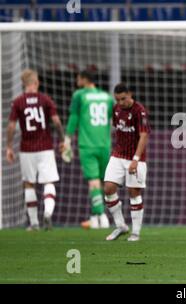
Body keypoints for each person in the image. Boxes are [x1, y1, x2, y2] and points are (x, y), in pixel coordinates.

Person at [6, 69, 65, 231]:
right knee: (49, 181)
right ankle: (47, 213)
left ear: (23, 84)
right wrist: (62, 140)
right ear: (36, 83)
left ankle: (34, 223)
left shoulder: (18, 102)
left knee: (29, 184)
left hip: (26, 149)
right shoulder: (45, 100)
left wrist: (9, 146)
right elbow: (57, 121)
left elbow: (11, 126)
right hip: (45, 147)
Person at [63, 70, 114, 229]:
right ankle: (95, 216)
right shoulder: (107, 97)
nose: (76, 80)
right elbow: (114, 118)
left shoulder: (79, 95)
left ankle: (101, 216)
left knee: (93, 182)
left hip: (87, 145)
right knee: (102, 182)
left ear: (84, 79)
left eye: (78, 77)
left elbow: (74, 118)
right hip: (105, 144)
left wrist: (67, 139)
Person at [103, 83, 149, 242]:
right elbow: (117, 129)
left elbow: (144, 136)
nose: (121, 102)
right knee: (108, 188)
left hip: (135, 158)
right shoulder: (116, 109)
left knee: (134, 193)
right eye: (118, 99)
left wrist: (135, 159)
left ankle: (135, 233)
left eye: (123, 99)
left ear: (130, 94)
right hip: (118, 155)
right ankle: (121, 225)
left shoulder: (139, 111)